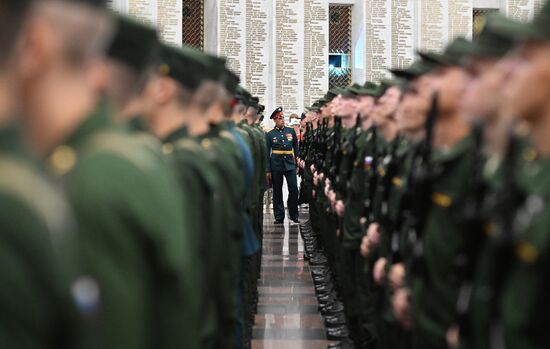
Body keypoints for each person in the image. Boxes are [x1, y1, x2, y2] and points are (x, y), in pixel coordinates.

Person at [265, 107, 300, 224]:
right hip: (276, 164)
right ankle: (279, 216)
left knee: (293, 189)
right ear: (275, 120)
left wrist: (297, 162)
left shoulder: (290, 131)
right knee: (277, 191)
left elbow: (296, 147)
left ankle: (294, 214)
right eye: (279, 118)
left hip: (290, 164)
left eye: (282, 117)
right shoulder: (270, 134)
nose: (282, 120)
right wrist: (268, 170)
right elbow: (267, 152)